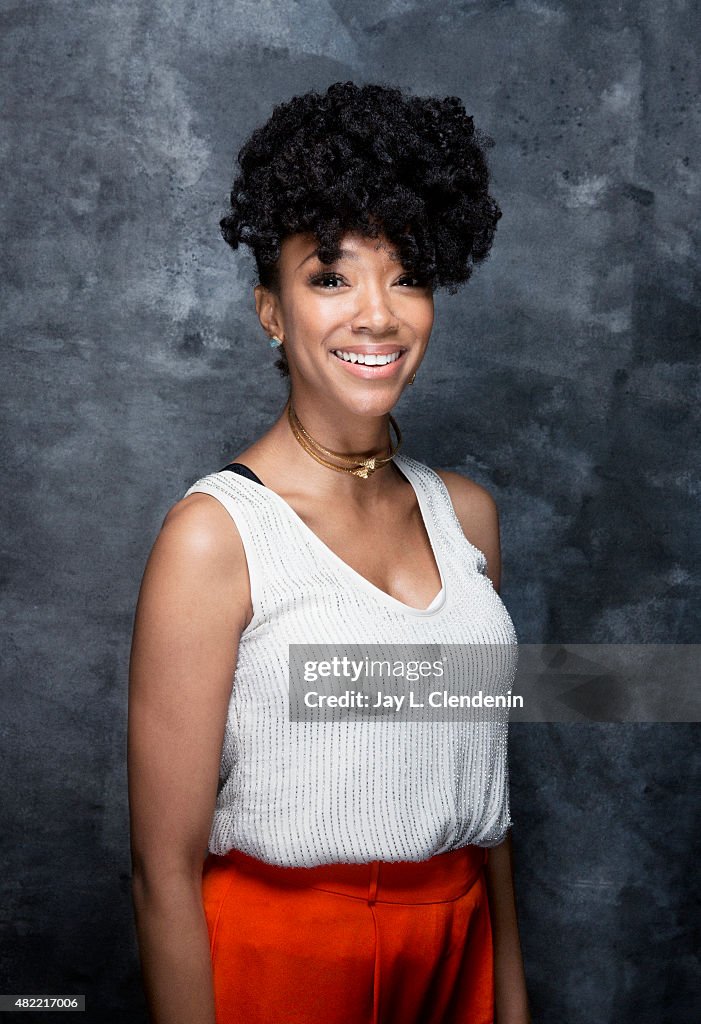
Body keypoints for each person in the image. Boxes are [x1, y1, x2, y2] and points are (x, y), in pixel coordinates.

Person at [128, 81, 531, 1024]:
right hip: (283, 964)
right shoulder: (215, 536)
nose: (377, 315)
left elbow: (487, 799)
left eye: (407, 275)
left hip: (458, 946)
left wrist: (507, 1001)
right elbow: (161, 870)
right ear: (272, 310)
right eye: (331, 276)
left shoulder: (465, 518)